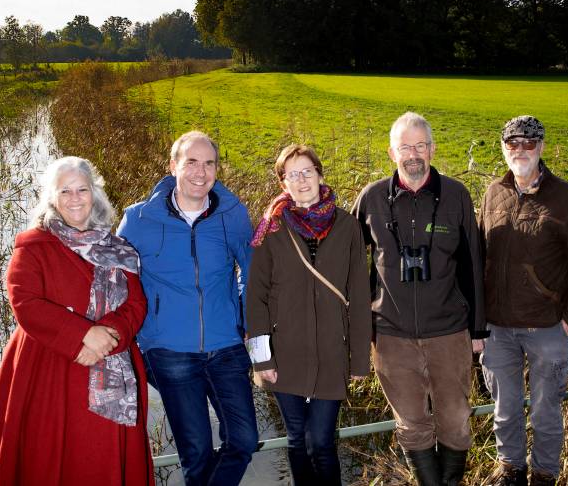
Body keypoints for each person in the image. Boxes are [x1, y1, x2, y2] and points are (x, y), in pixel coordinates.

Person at [0, 156, 153, 486]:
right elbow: (26, 302)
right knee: (47, 461)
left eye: (82, 189)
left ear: (95, 194)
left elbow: (136, 303)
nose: (75, 198)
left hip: (110, 366)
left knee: (103, 463)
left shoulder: (117, 248)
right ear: (51, 198)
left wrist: (109, 337)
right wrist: (83, 335)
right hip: (48, 372)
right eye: (65, 192)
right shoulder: (32, 247)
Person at [352, 112, 486, 486]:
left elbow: (473, 264)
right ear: (392, 152)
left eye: (420, 145)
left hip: (448, 332)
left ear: (432, 148)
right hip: (391, 336)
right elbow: (346, 260)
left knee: (456, 420)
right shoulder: (372, 197)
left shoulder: (457, 195)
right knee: (411, 424)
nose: (413, 154)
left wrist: (478, 328)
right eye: (405, 147)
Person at [117, 131, 258, 486]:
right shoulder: (137, 220)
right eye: (191, 162)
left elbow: (252, 272)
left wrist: (241, 318)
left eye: (209, 163)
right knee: (195, 453)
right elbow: (117, 283)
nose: (201, 171)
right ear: (173, 166)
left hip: (226, 346)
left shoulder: (233, 214)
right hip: (169, 352)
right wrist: (137, 336)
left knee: (242, 440)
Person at [478, 116, 568, 486]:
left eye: (528, 143)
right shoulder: (493, 193)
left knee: (546, 412)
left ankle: (544, 475)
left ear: (542, 147)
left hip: (546, 328)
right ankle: (511, 469)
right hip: (498, 328)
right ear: (503, 148)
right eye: (512, 143)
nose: (520, 150)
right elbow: (479, 256)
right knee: (504, 411)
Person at [245, 144, 372, 485]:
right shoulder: (271, 229)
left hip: (331, 353)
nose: (301, 180)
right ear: (282, 182)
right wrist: (261, 360)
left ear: (320, 174)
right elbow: (254, 297)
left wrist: (360, 360)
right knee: (298, 440)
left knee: (321, 442)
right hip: (284, 354)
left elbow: (359, 296)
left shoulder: (347, 226)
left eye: (307, 171)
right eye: (292, 174)